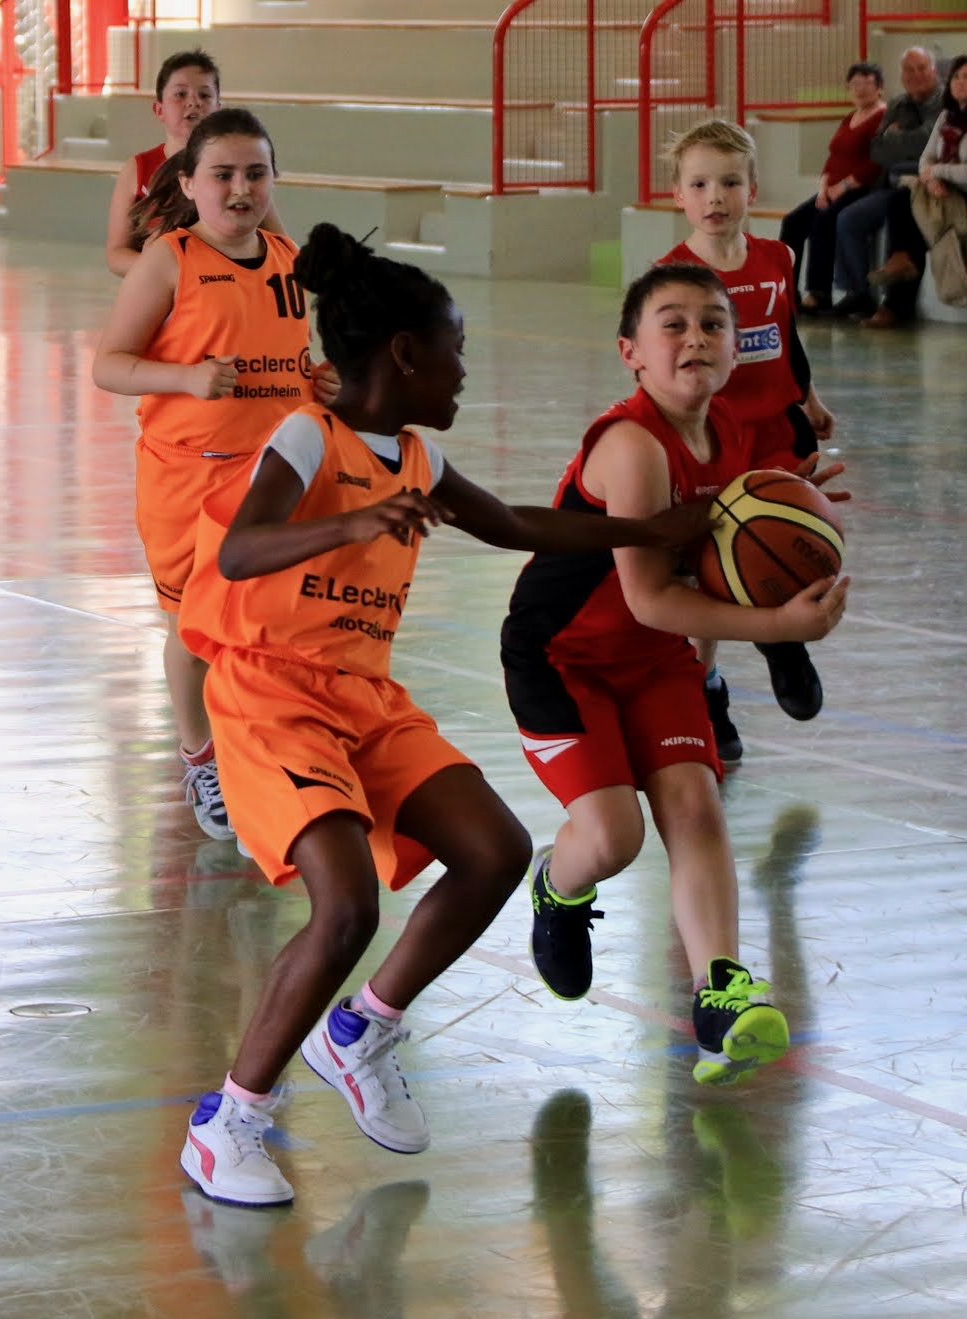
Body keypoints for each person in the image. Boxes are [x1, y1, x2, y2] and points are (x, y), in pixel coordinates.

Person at [172, 225, 706, 1207]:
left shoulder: (416, 454)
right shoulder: (309, 436)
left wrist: (648, 529)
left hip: (361, 693)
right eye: (455, 348)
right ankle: (229, 1122)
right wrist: (351, 521)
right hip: (271, 694)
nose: (465, 366)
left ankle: (363, 1027)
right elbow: (241, 552)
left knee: (495, 849)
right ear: (405, 354)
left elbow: (513, 524)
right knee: (345, 908)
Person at [505, 262, 849, 1090]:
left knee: (697, 806)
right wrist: (780, 627)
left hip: (652, 657)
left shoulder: (726, 428)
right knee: (614, 839)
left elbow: (716, 551)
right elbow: (651, 597)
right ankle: (556, 887)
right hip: (564, 657)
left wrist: (790, 508)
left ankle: (720, 993)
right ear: (631, 351)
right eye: (674, 324)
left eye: (713, 324)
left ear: (735, 347)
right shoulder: (631, 445)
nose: (696, 337)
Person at [93, 108, 333, 843]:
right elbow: (109, 365)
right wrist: (187, 377)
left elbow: (288, 355)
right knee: (195, 632)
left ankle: (261, 751)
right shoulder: (169, 258)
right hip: (190, 481)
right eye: (223, 174)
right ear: (189, 183)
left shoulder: (289, 258)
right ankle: (200, 757)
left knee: (273, 630)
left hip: (278, 477)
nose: (240, 188)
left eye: (255, 173)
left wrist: (322, 381)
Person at [659, 118, 834, 762]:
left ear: (752, 189)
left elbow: (786, 336)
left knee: (783, 540)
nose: (716, 197)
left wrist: (809, 399)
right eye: (700, 184)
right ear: (679, 195)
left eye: (730, 182)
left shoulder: (778, 258)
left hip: (777, 432)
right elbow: (661, 369)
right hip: (712, 436)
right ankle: (708, 687)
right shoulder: (672, 276)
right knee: (711, 569)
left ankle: (784, 642)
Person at [104, 52, 285, 277]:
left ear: (218, 108)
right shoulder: (138, 169)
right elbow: (116, 254)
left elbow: (281, 246)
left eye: (205, 95)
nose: (193, 102)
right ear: (159, 110)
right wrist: (175, 270)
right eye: (180, 94)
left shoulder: (239, 171)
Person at [831, 46, 941, 324]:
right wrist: (909, 144)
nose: (915, 75)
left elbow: (930, 143)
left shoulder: (944, 102)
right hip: (890, 184)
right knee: (849, 218)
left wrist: (898, 140)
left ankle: (895, 305)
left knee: (903, 207)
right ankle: (859, 294)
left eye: (922, 68)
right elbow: (877, 151)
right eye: (909, 70)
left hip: (929, 184)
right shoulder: (898, 104)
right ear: (901, 76)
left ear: (935, 71)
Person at [780, 63, 888, 312]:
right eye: (854, 84)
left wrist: (844, 185)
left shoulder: (882, 117)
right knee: (793, 222)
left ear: (879, 88)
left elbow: (875, 161)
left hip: (860, 188)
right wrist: (823, 188)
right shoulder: (850, 117)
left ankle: (819, 292)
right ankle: (787, 291)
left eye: (866, 83)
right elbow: (834, 156)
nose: (859, 89)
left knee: (823, 222)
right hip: (831, 188)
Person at [907, 56, 967, 305]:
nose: (960, 82)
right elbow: (926, 159)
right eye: (956, 77)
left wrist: (938, 172)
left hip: (962, 191)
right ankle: (904, 263)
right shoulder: (946, 117)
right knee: (899, 196)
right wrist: (931, 179)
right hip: (945, 189)